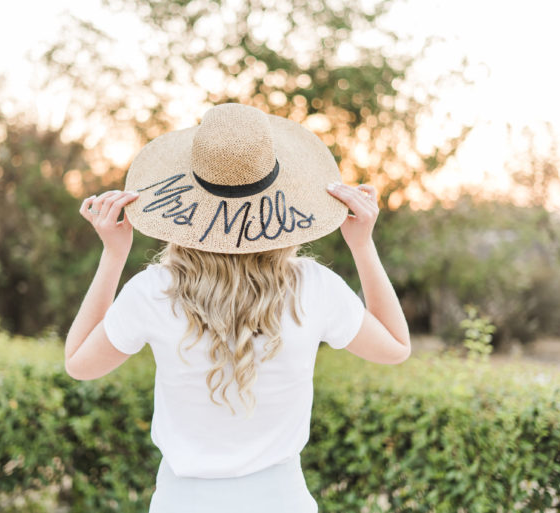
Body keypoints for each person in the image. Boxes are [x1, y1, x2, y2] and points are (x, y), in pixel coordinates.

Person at [64, 103, 410, 513]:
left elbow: (79, 363)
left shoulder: (153, 291)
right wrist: (362, 245)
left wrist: (113, 256)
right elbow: (396, 347)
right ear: (281, 202)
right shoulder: (314, 287)